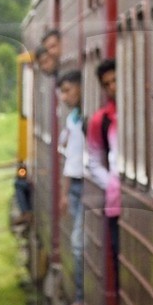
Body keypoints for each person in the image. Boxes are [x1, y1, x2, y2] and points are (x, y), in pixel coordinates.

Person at [86, 55, 121, 292]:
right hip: (115, 204)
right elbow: (93, 161)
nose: (112, 88)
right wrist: (111, 184)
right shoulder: (101, 120)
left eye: (116, 81)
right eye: (107, 84)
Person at [59, 69, 85, 291]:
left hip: (86, 185)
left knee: (78, 243)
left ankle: (80, 297)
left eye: (68, 91)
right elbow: (70, 159)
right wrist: (65, 193)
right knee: (79, 243)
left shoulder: (88, 119)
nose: (65, 97)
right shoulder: (73, 119)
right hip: (75, 185)